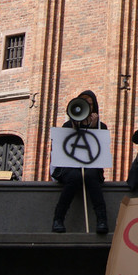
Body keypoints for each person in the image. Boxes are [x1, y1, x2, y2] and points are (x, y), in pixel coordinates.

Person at [51, 90, 109, 234]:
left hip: (91, 167)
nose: (88, 107)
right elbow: (61, 148)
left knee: (90, 176)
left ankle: (102, 219)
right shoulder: (67, 125)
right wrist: (74, 126)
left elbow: (100, 148)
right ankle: (58, 218)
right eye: (84, 103)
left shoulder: (101, 126)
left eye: (90, 104)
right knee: (75, 177)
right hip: (69, 168)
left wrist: (94, 127)